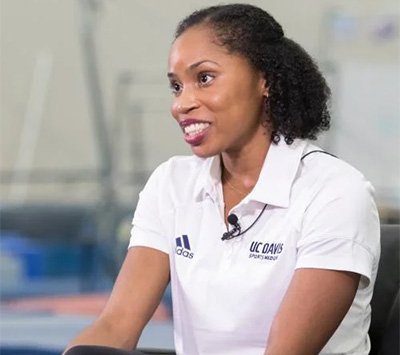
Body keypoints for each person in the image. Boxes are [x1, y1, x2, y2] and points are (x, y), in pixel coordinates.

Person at [64, 4, 380, 355]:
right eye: (176, 86)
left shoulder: (334, 192)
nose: (181, 104)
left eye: (204, 78)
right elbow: (116, 325)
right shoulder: (171, 183)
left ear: (266, 81)